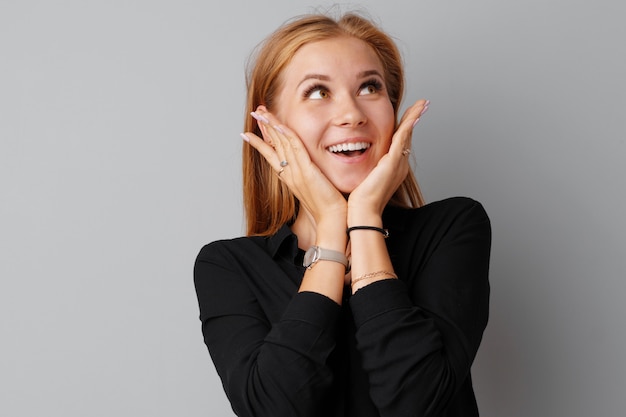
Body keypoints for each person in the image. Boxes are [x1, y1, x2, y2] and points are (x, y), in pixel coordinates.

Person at [194, 11, 491, 417]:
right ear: (271, 127)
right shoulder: (228, 266)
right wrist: (333, 229)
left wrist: (364, 217)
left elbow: (415, 403)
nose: (352, 114)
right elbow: (276, 410)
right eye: (318, 92)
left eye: (370, 87)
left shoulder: (452, 229)